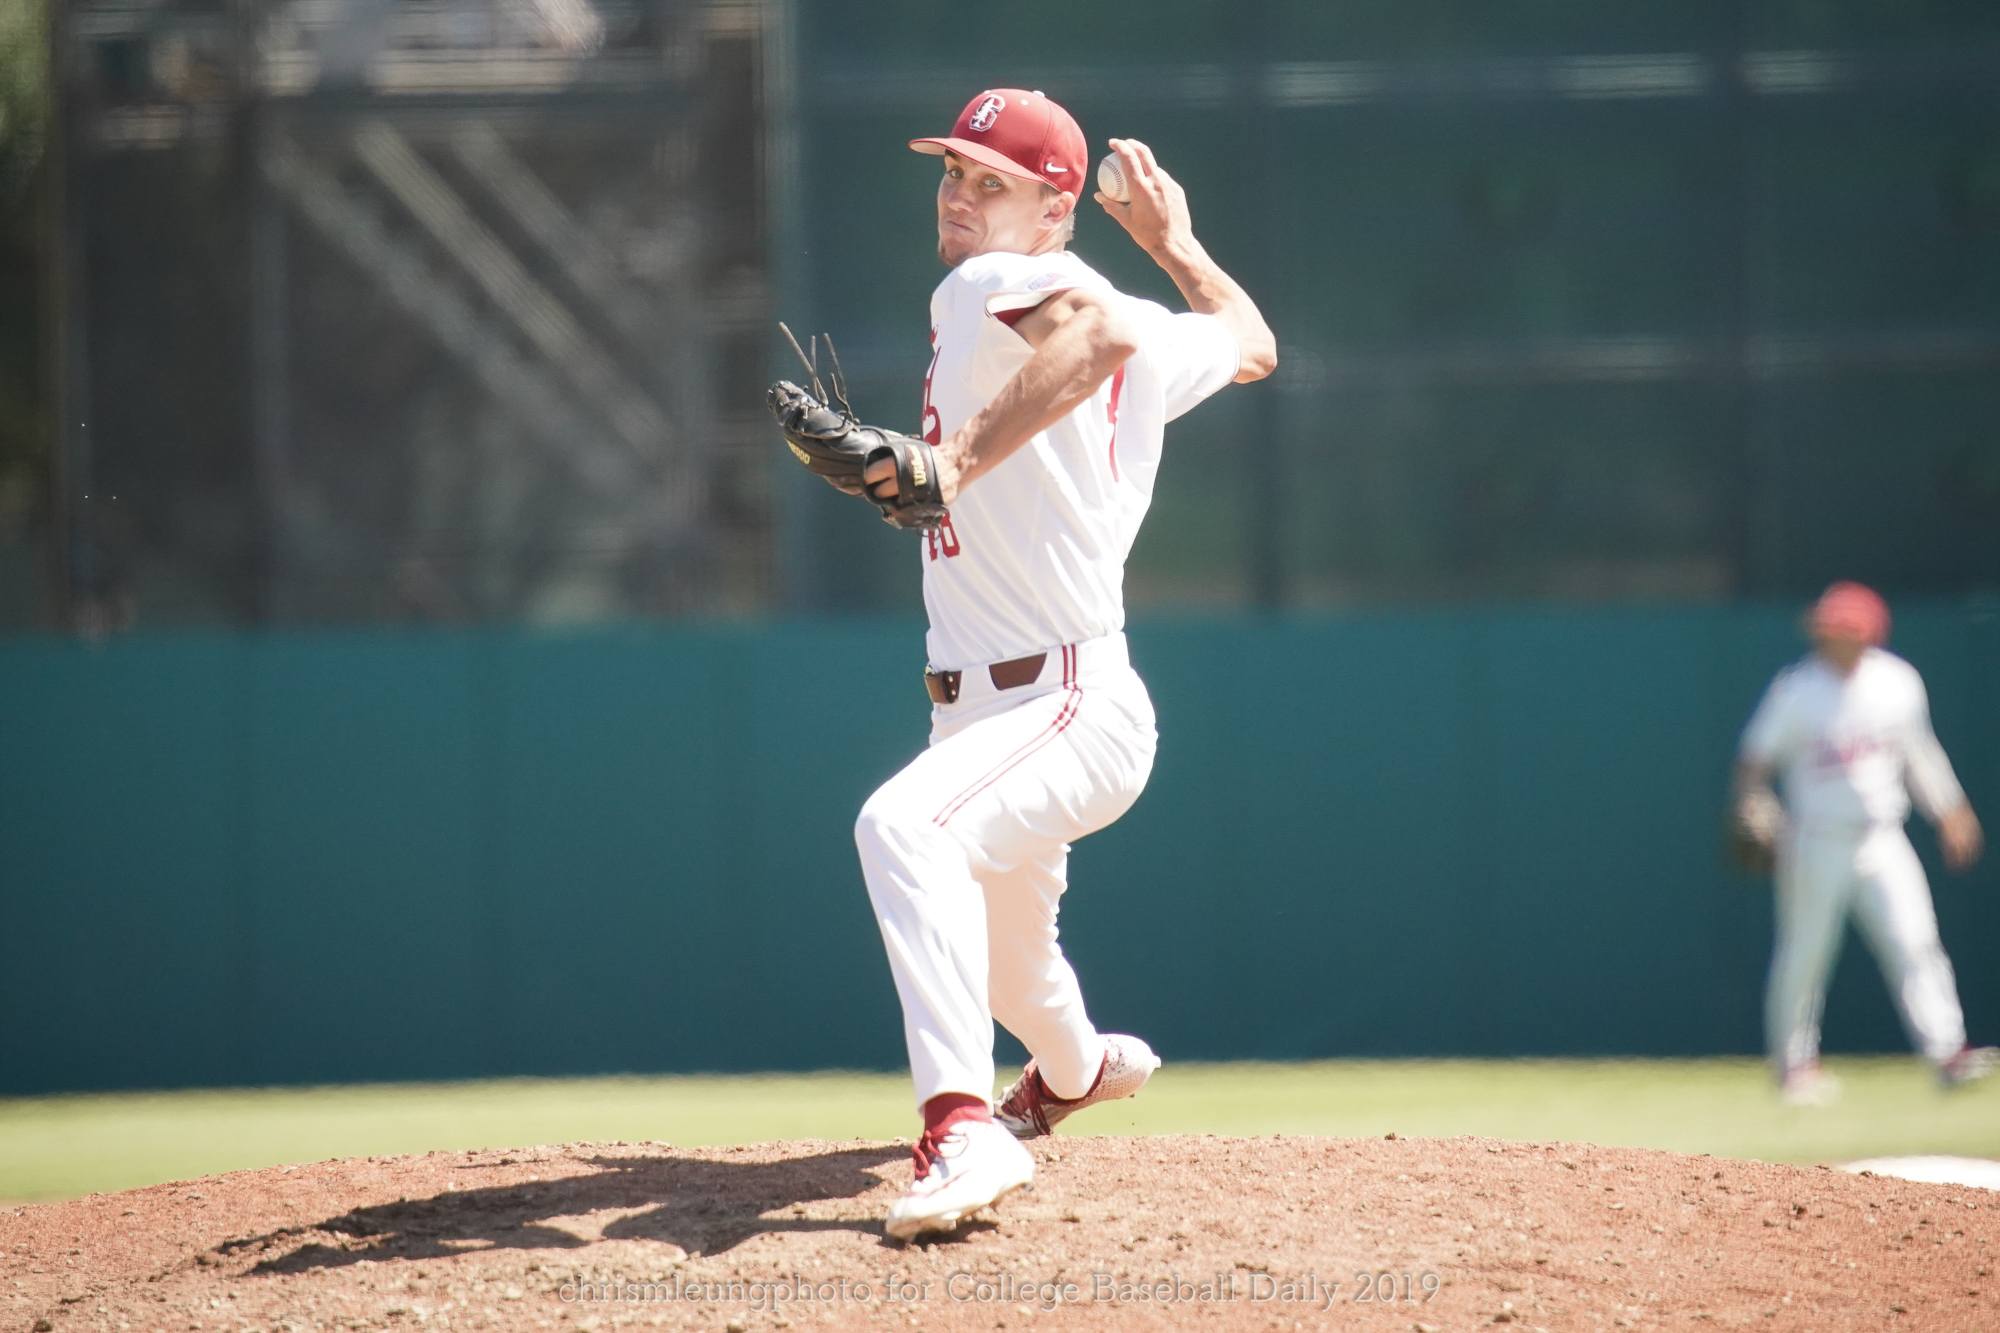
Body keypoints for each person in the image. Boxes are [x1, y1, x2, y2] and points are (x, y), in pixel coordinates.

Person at [830, 89, 1275, 1240]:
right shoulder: (1109, 307)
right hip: (1001, 712)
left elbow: (1096, 337)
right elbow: (1248, 343)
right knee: (1011, 973)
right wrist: (1174, 247)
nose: (960, 196)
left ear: (1052, 211)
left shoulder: (986, 282)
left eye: (994, 183)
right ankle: (1073, 1072)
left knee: (902, 829)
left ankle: (960, 1129)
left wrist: (951, 461)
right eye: (952, 171)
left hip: (1064, 698)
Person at [1734, 581, 1996, 1107]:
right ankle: (1794, 1067)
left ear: (1866, 633)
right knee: (1805, 954)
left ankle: (1948, 1052)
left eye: (1841, 629)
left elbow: (1920, 754)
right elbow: (1754, 761)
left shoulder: (1896, 683)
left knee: (1915, 942)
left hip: (1882, 836)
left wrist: (1951, 810)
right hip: (1815, 838)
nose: (1829, 636)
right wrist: (1751, 801)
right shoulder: (1797, 690)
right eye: (1827, 628)